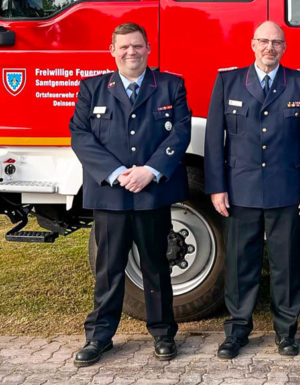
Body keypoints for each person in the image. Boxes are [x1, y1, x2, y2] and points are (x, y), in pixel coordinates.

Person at [69, 22, 190, 367]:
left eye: (137, 46)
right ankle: (99, 337)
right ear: (113, 51)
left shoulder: (170, 86)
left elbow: (180, 133)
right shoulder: (92, 88)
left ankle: (164, 334)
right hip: (111, 196)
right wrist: (117, 174)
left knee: (156, 267)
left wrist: (149, 171)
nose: (131, 52)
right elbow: (80, 134)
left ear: (148, 49)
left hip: (151, 194)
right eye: (123, 47)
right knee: (109, 269)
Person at [204, 20, 300, 359]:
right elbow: (215, 140)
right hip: (240, 192)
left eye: (277, 42)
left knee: (286, 264)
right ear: (252, 44)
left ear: (284, 48)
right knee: (241, 265)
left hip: (288, 191)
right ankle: (237, 331)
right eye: (264, 41)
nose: (270, 48)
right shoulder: (228, 81)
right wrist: (216, 187)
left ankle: (286, 333)